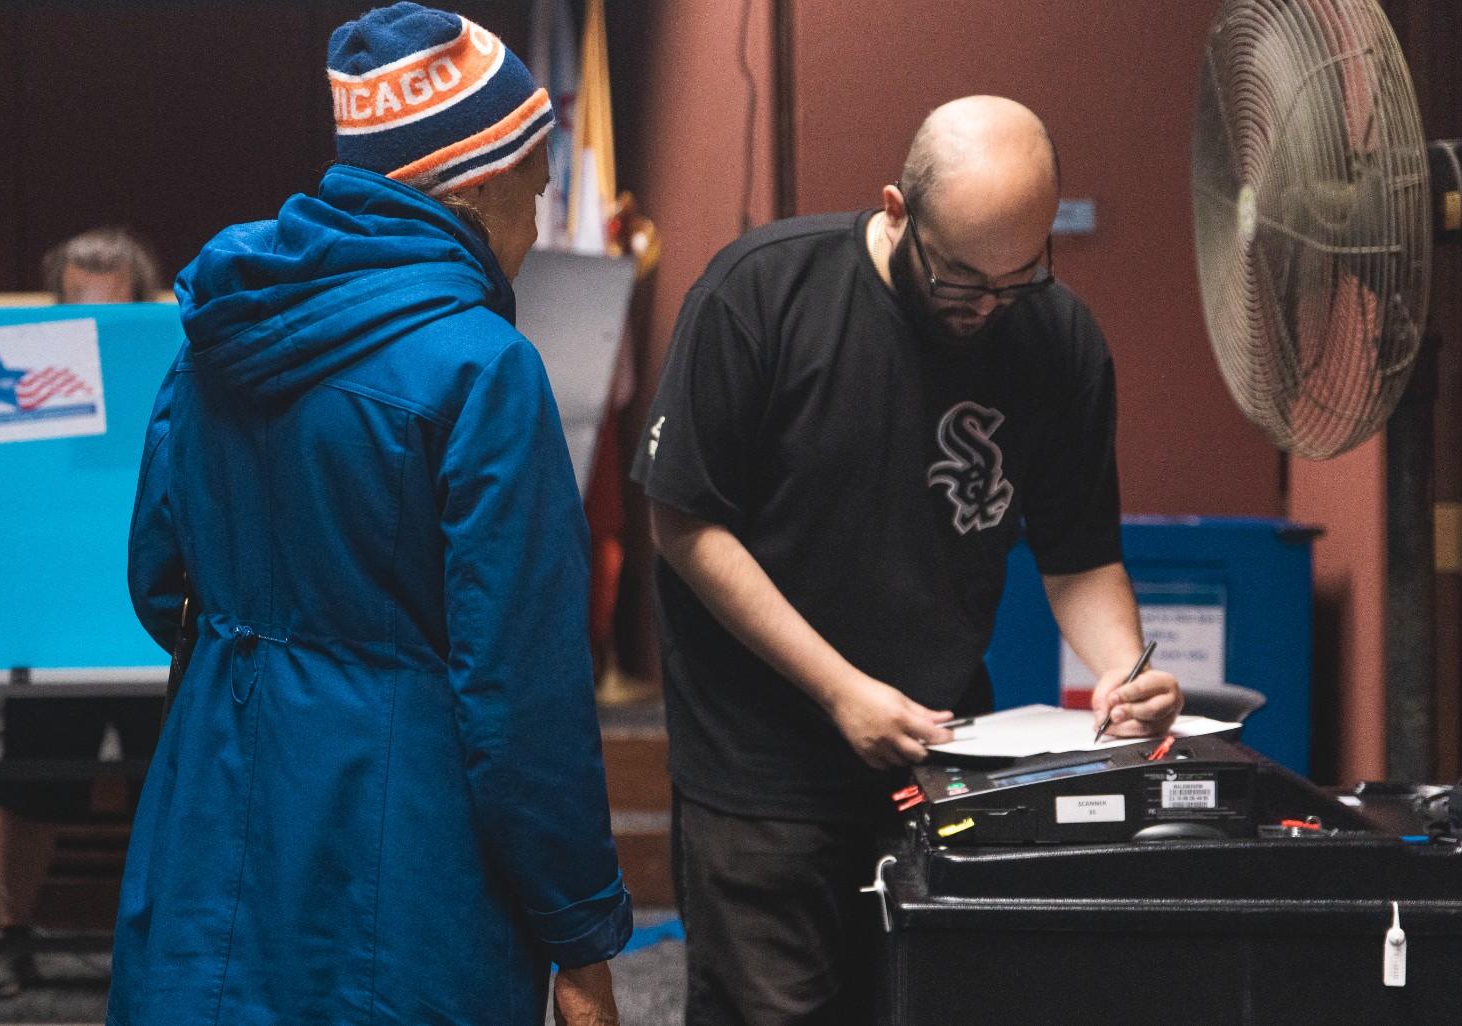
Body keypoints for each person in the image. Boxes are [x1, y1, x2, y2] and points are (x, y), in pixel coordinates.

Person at [108, 6, 629, 1025]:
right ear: (478, 183)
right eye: (536, 185)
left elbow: (155, 576)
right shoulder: (483, 367)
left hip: (211, 804)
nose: (538, 220)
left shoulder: (218, 332)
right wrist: (583, 937)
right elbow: (524, 694)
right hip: (405, 842)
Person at [630, 95, 1183, 1024]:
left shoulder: (1059, 337)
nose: (987, 308)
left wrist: (1124, 673)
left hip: (939, 757)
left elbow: (1080, 558)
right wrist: (840, 688)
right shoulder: (762, 293)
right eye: (962, 279)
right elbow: (683, 523)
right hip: (760, 766)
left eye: (1019, 277)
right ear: (896, 209)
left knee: (935, 1000)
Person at [0, 226, 165, 1001]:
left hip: (153, 620)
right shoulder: (25, 373)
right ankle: (11, 940)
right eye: (75, 298)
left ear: (140, 299)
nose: (89, 318)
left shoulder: (174, 369)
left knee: (171, 785)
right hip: (54, 620)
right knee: (28, 788)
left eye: (108, 300)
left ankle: (167, 947)